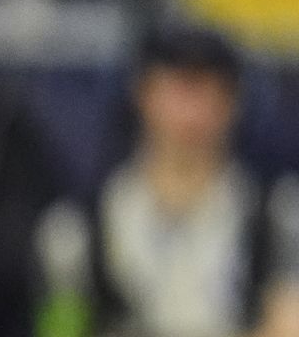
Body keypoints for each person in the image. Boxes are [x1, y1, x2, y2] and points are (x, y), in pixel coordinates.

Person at [33, 25, 299, 337]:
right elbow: (60, 329)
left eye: (207, 93)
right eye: (178, 92)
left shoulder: (277, 218)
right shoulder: (76, 227)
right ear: (143, 95)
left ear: (232, 103)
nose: (191, 114)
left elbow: (288, 322)